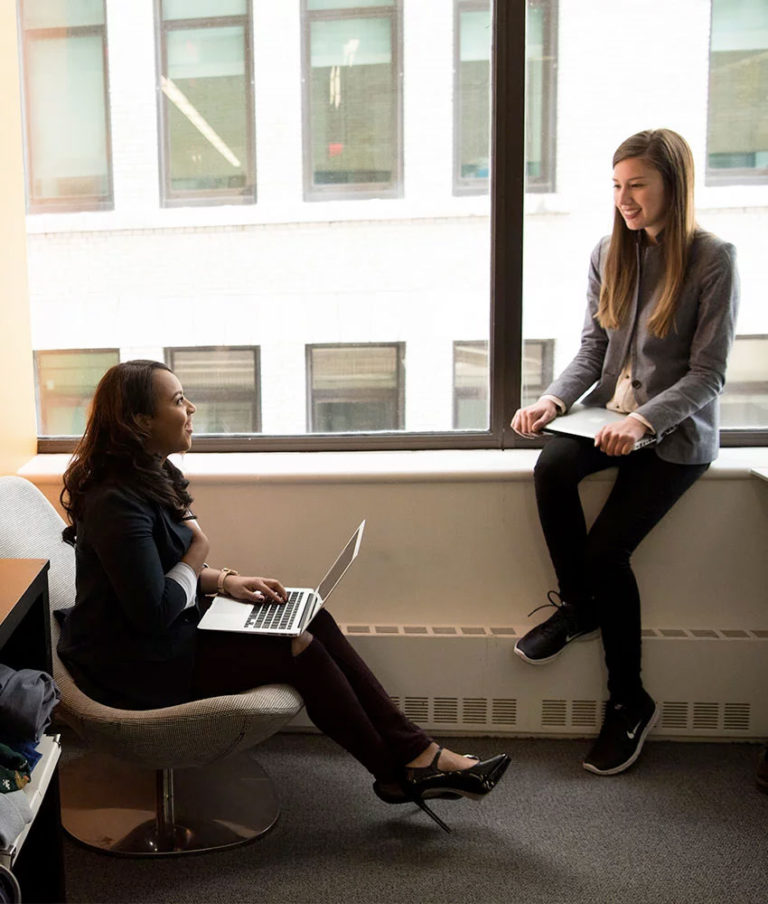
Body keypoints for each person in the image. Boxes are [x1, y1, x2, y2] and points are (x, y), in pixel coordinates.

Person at [57, 359, 509, 831]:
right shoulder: (115, 501)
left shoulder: (152, 473)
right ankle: (402, 771)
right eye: (176, 400)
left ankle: (418, 755)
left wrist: (226, 580)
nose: (191, 408)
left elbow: (164, 570)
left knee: (311, 616)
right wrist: (200, 553)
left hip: (165, 633)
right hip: (134, 664)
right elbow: (154, 609)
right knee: (300, 650)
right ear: (139, 422)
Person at [511, 129, 739, 776]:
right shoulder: (608, 253)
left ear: (673, 184)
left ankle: (629, 701)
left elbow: (709, 374)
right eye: (617, 186)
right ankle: (578, 605)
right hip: (608, 421)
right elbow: (593, 351)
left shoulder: (713, 258)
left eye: (638, 184)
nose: (626, 198)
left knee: (609, 552)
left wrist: (643, 422)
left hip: (675, 438)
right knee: (552, 463)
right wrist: (552, 402)